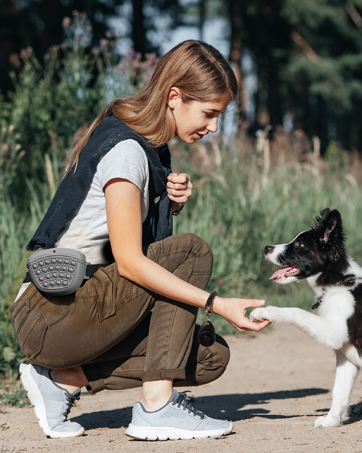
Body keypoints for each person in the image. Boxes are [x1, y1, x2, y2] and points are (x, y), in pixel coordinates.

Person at [12, 40, 270, 441]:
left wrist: (167, 204)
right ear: (174, 97)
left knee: (208, 357)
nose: (214, 127)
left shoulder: (146, 149)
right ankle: (157, 406)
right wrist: (216, 304)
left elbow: (116, 247)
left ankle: (64, 378)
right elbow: (131, 263)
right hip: (50, 313)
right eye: (209, 113)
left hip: (76, 311)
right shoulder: (128, 152)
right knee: (191, 251)